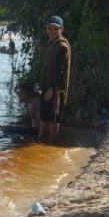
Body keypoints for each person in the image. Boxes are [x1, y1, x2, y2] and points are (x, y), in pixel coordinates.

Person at [38, 15, 72, 144]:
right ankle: (41, 143)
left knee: (53, 116)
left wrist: (51, 89)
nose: (51, 31)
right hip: (47, 86)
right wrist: (42, 85)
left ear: (61, 29)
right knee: (44, 116)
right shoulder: (52, 44)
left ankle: (52, 144)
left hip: (56, 88)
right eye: (49, 28)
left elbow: (59, 70)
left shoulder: (62, 46)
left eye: (55, 28)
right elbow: (47, 68)